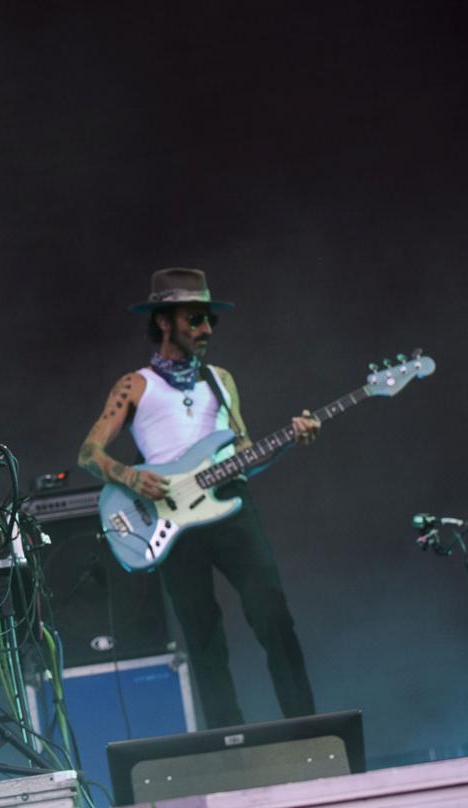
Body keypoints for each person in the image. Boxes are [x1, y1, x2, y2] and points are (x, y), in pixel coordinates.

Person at [76, 267, 318, 728]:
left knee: (275, 618)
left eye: (209, 320)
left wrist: (289, 438)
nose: (206, 329)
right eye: (195, 319)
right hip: (170, 517)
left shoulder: (220, 380)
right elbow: (89, 452)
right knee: (204, 637)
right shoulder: (136, 384)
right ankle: (230, 744)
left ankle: (308, 729)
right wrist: (129, 477)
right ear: (165, 321)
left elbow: (245, 454)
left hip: (229, 505)